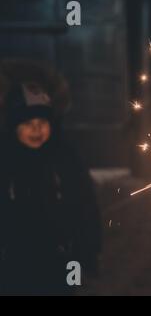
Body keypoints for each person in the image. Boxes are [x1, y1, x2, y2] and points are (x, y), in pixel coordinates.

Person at [0, 59, 101, 295]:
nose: (36, 129)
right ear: (13, 126)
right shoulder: (6, 160)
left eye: (42, 122)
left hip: (59, 255)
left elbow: (85, 204)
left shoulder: (65, 158)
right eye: (27, 123)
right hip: (14, 259)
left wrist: (87, 251)